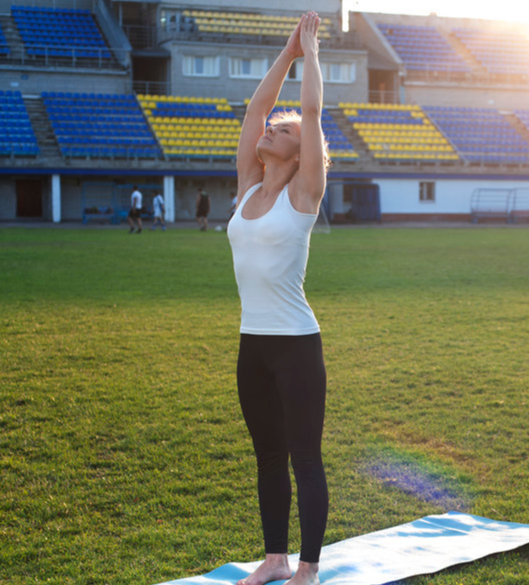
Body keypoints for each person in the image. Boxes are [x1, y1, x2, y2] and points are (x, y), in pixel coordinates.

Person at [227, 12, 329, 585]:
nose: (271, 131)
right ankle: (274, 558)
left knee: (303, 458)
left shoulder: (305, 193)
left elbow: (310, 114)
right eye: (275, 128)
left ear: (298, 154)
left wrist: (311, 53)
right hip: (252, 345)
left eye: (282, 132)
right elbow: (253, 111)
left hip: (295, 346)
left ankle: (307, 568)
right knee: (267, 457)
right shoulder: (246, 188)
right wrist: (286, 53)